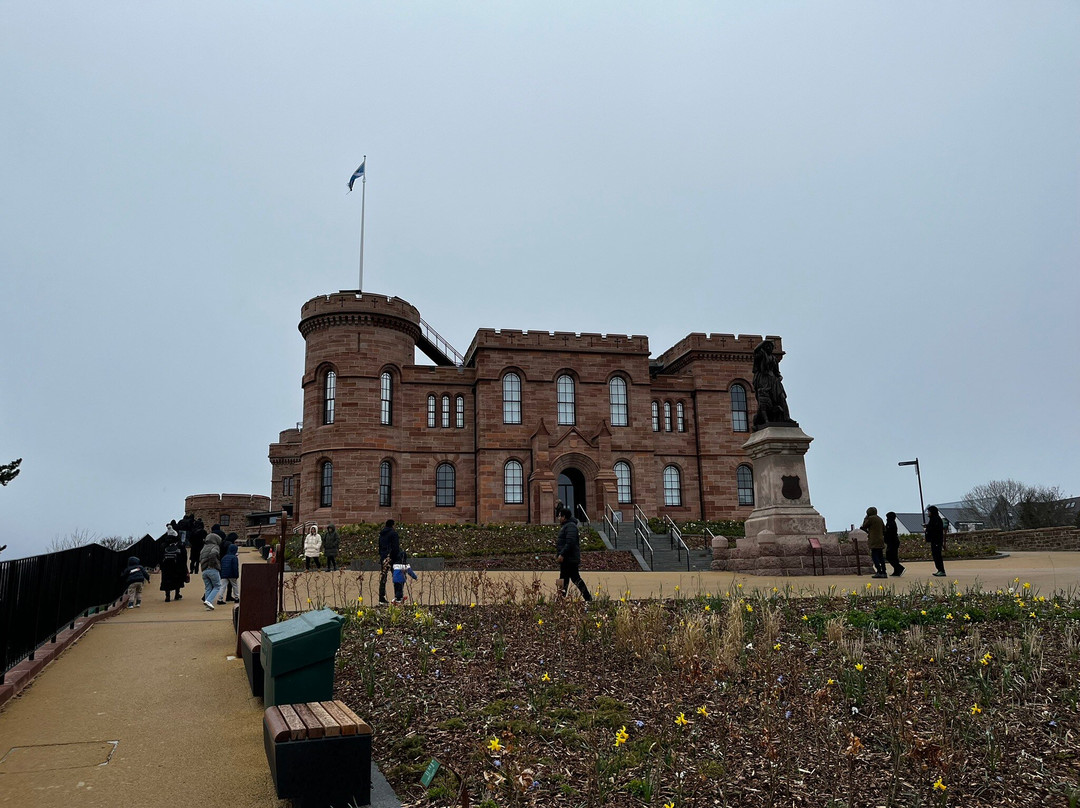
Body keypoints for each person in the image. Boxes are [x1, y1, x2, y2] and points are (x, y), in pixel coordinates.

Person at [555, 507, 592, 602]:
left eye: (559, 516)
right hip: (568, 558)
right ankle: (561, 598)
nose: (558, 518)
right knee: (568, 578)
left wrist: (562, 554)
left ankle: (560, 599)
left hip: (569, 559)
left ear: (564, 517)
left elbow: (570, 542)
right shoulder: (567, 526)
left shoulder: (570, 526)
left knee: (570, 578)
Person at [159, 531, 188, 602]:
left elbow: (159, 556)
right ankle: (177, 594)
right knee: (177, 579)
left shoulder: (163, 545)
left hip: (166, 566)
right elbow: (184, 556)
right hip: (177, 565)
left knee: (166, 580)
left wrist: (161, 566)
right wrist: (184, 566)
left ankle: (167, 596)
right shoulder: (179, 545)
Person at [860, 507, 887, 579]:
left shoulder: (871, 519)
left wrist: (865, 518)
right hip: (880, 540)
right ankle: (884, 572)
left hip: (874, 540)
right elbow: (884, 529)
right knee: (881, 557)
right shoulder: (880, 519)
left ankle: (879, 571)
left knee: (875, 556)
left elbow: (864, 526)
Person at [378, 519, 401, 604]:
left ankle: (381, 597)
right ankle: (398, 597)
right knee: (396, 577)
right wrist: (395, 557)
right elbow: (396, 547)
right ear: (392, 525)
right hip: (393, 558)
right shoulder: (393, 534)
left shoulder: (381, 534)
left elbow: (380, 547)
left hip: (383, 557)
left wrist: (382, 556)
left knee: (383, 578)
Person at [199, 531, 223, 610]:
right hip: (212, 569)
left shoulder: (203, 548)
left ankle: (208, 606)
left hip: (204, 570)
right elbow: (213, 554)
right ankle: (209, 601)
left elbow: (200, 559)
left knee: (208, 588)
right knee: (217, 586)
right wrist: (215, 565)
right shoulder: (215, 547)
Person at [925, 505, 946, 577]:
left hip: (936, 540)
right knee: (935, 555)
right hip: (934, 540)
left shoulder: (936, 519)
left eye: (929, 511)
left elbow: (935, 529)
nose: (928, 513)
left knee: (937, 556)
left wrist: (927, 528)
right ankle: (939, 570)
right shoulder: (933, 519)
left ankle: (941, 570)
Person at [884, 511, 905, 577]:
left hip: (892, 542)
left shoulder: (890, 524)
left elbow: (888, 533)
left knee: (889, 556)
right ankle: (897, 571)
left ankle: (899, 568)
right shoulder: (892, 523)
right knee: (894, 557)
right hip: (894, 542)